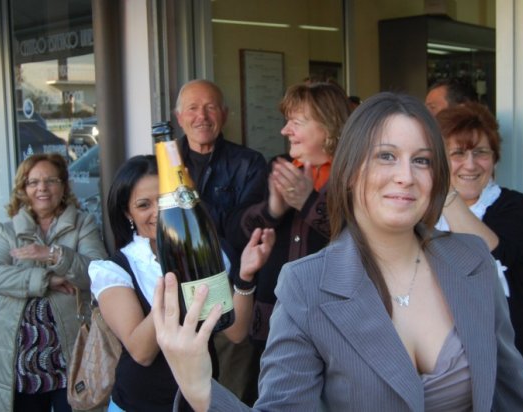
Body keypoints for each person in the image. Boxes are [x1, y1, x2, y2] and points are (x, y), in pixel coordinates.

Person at [152, 92, 523, 411]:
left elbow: (514, 398)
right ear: (352, 170)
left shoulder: (470, 259)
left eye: (422, 160)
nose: (405, 176)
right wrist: (200, 388)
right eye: (386, 156)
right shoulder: (306, 285)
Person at [88, 155, 274, 411]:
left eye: (165, 199)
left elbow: (236, 332)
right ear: (127, 213)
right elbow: (142, 352)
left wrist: (245, 276)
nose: (159, 212)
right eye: (143, 205)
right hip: (138, 405)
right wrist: (178, 270)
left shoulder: (209, 251)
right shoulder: (114, 269)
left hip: (200, 401)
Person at [221, 81, 350, 401]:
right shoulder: (279, 167)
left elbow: (359, 237)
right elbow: (234, 232)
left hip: (333, 326)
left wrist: (308, 202)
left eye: (296, 121)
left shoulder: (354, 176)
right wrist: (272, 210)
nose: (284, 130)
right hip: (270, 325)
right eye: (286, 120)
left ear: (329, 126)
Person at [435, 101, 523, 403]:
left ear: (495, 159)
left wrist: (446, 194)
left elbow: (492, 254)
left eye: (481, 153)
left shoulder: (517, 207)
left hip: (513, 361)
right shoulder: (421, 213)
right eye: (457, 153)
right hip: (446, 364)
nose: (471, 164)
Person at [0, 153, 107, 412]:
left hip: (71, 351)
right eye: (33, 182)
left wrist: (53, 255)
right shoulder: (8, 231)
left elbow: (97, 271)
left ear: (63, 186)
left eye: (50, 180)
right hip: (21, 354)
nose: (42, 188)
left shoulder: (82, 225)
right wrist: (46, 279)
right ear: (23, 189)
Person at [174, 79, 268, 401]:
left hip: (230, 288)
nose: (202, 116)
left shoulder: (249, 163)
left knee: (230, 389)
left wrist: (189, 202)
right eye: (192, 108)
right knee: (183, 389)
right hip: (178, 289)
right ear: (179, 117)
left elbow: (243, 228)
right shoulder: (163, 163)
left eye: (210, 107)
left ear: (224, 114)